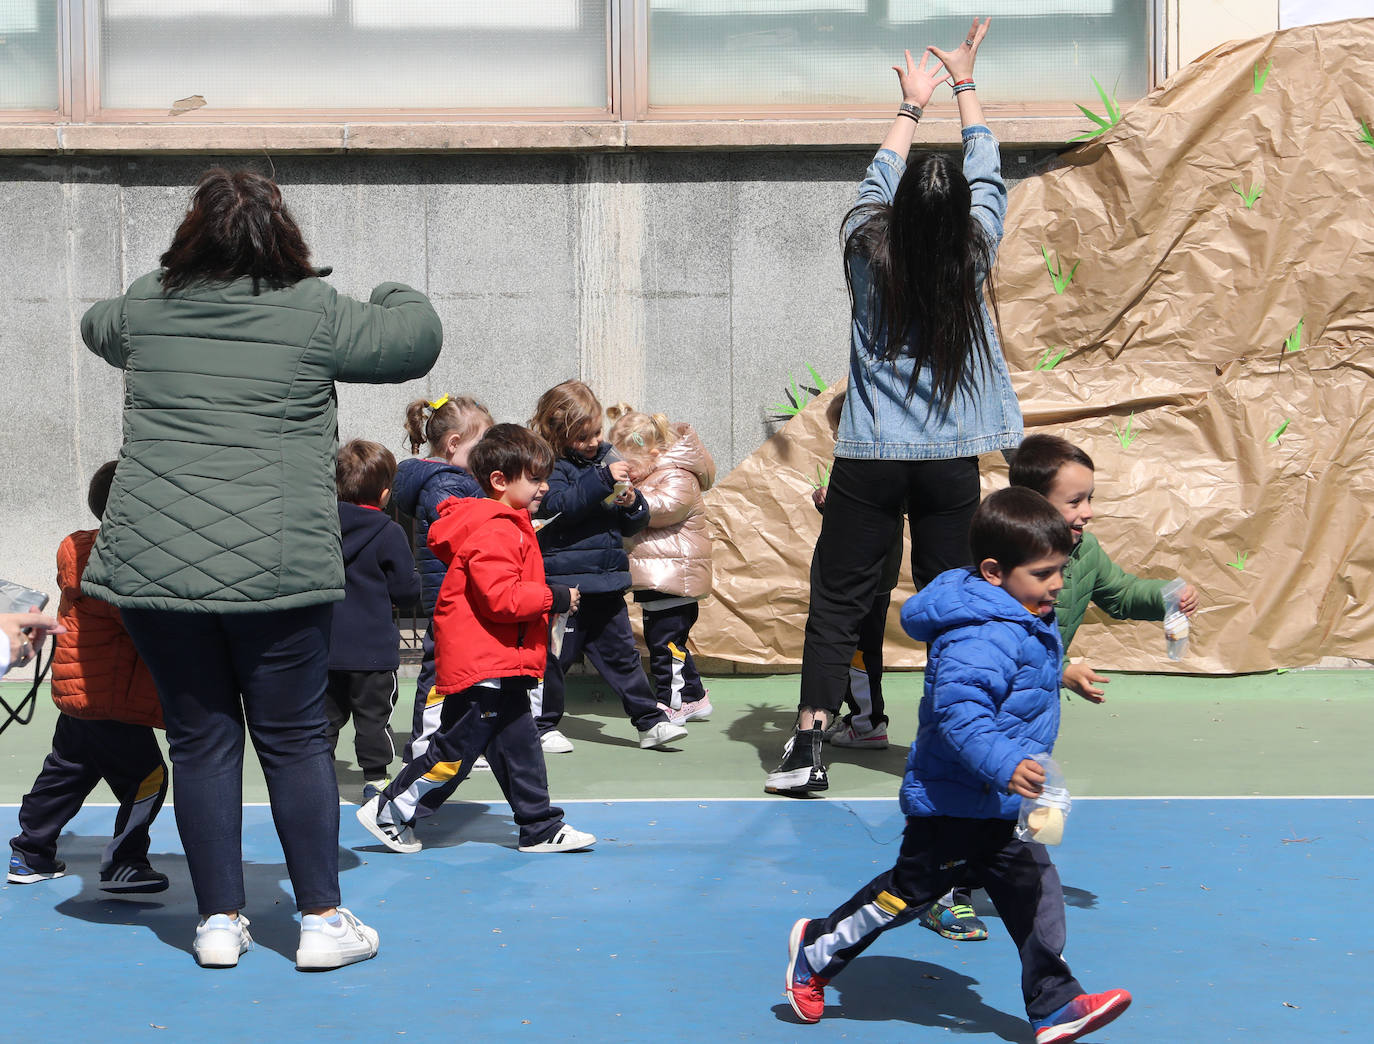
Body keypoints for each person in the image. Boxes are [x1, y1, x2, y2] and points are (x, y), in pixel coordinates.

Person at [79, 167, 442, 970]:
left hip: (156, 565)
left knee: (201, 741)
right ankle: (318, 919)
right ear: (283, 236)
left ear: (188, 235)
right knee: (293, 740)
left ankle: (217, 923)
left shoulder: (146, 303)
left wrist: (161, 288)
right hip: (279, 567)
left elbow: (94, 325)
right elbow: (413, 338)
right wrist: (390, 285)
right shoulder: (313, 309)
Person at [767, 19, 1022, 795]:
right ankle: (954, 736)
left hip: (870, 461)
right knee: (956, 599)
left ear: (901, 210)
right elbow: (988, 176)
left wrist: (911, 107)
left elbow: (876, 183)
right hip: (948, 463)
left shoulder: (865, 251)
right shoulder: (973, 250)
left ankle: (810, 745)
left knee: (836, 602)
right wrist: (966, 86)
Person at [783, 487, 1132, 1044]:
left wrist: (1060, 674)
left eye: (1061, 570)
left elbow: (1015, 669)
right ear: (994, 571)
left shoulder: (1016, 611)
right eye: (1045, 574)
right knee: (903, 896)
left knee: (1037, 895)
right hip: (951, 802)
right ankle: (818, 948)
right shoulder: (977, 633)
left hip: (998, 804)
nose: (1058, 585)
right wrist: (1007, 764)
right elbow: (960, 714)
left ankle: (1055, 1004)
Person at [355, 424, 595, 854]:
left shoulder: (509, 525)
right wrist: (554, 597)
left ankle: (540, 826)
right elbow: (500, 599)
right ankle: (390, 811)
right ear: (500, 481)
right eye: (536, 478)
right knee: (454, 752)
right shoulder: (496, 529)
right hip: (486, 666)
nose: (544, 487)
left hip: (503, 663)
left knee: (519, 749)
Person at [8, 461, 169, 894]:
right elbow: (145, 625)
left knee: (68, 770)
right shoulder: (125, 566)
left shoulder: (80, 552)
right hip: (110, 696)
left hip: (79, 691)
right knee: (149, 777)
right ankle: (125, 862)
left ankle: (30, 851)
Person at [528, 380, 688, 752]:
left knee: (624, 657)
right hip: (567, 587)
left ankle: (649, 721)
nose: (594, 441)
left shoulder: (605, 460)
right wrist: (601, 480)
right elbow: (560, 507)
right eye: (584, 436)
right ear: (559, 434)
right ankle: (541, 724)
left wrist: (631, 503)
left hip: (607, 582)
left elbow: (633, 522)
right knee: (554, 658)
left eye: (597, 432)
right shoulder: (550, 468)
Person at [1010, 433, 1200, 701]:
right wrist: (1060, 671)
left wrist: (1167, 596)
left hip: (1037, 693)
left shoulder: (1084, 550)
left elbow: (1121, 594)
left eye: (1090, 499)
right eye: (1074, 502)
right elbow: (1012, 642)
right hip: (998, 691)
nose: (1088, 512)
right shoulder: (1012, 563)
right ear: (1034, 503)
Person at [391, 394, 494, 770]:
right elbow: (457, 534)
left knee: (463, 671)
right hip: (450, 594)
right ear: (454, 444)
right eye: (481, 445)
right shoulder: (444, 484)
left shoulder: (455, 480)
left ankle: (452, 741)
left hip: (457, 592)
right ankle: (423, 746)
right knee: (440, 673)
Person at [606, 404, 716, 724]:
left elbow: (666, 507)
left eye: (630, 465)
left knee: (665, 644)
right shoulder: (655, 473)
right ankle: (693, 695)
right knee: (667, 640)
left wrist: (633, 501)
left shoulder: (677, 474)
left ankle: (674, 701)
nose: (628, 472)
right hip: (661, 574)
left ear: (653, 452)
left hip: (675, 575)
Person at [326, 439, 422, 804]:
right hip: (373, 652)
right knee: (373, 720)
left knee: (323, 722)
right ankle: (376, 781)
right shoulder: (388, 531)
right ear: (385, 494)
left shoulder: (322, 526)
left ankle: (317, 778)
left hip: (327, 646)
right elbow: (406, 590)